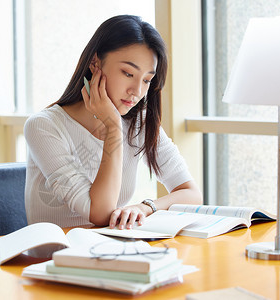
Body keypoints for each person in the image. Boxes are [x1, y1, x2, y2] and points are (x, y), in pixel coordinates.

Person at [24, 15, 202, 229]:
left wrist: (145, 207)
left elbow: (191, 194)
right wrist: (113, 128)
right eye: (128, 73)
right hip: (54, 256)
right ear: (95, 62)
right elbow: (99, 214)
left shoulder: (139, 122)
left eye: (146, 80)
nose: (137, 91)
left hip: (111, 249)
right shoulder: (44, 126)